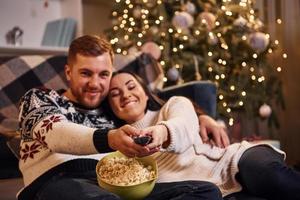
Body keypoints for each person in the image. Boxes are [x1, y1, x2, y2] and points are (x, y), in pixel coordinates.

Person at [17, 35, 225, 200]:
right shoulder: (39, 98)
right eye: (86, 73)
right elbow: (57, 134)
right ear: (69, 72)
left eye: (103, 74)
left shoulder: (112, 107)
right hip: (56, 180)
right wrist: (109, 138)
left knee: (206, 192)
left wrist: (202, 117)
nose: (95, 83)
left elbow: (152, 102)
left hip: (118, 183)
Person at [107, 70, 300, 200]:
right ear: (110, 106)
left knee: (267, 175)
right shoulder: (118, 144)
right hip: (200, 191)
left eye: (131, 86)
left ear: (146, 93)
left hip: (231, 159)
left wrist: (162, 131)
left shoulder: (173, 105)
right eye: (115, 93)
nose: (125, 95)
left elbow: (183, 124)